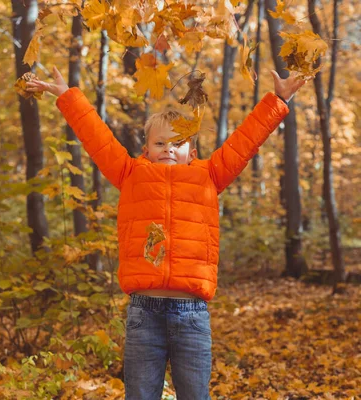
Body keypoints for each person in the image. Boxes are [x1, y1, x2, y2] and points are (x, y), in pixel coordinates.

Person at [26, 67, 305, 400]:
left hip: (193, 316)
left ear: (192, 151)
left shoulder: (210, 175)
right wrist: (68, 96)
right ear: (146, 149)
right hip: (144, 313)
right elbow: (97, 138)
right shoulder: (130, 173)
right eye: (160, 143)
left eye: (178, 143)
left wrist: (278, 99)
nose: (169, 149)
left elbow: (245, 142)